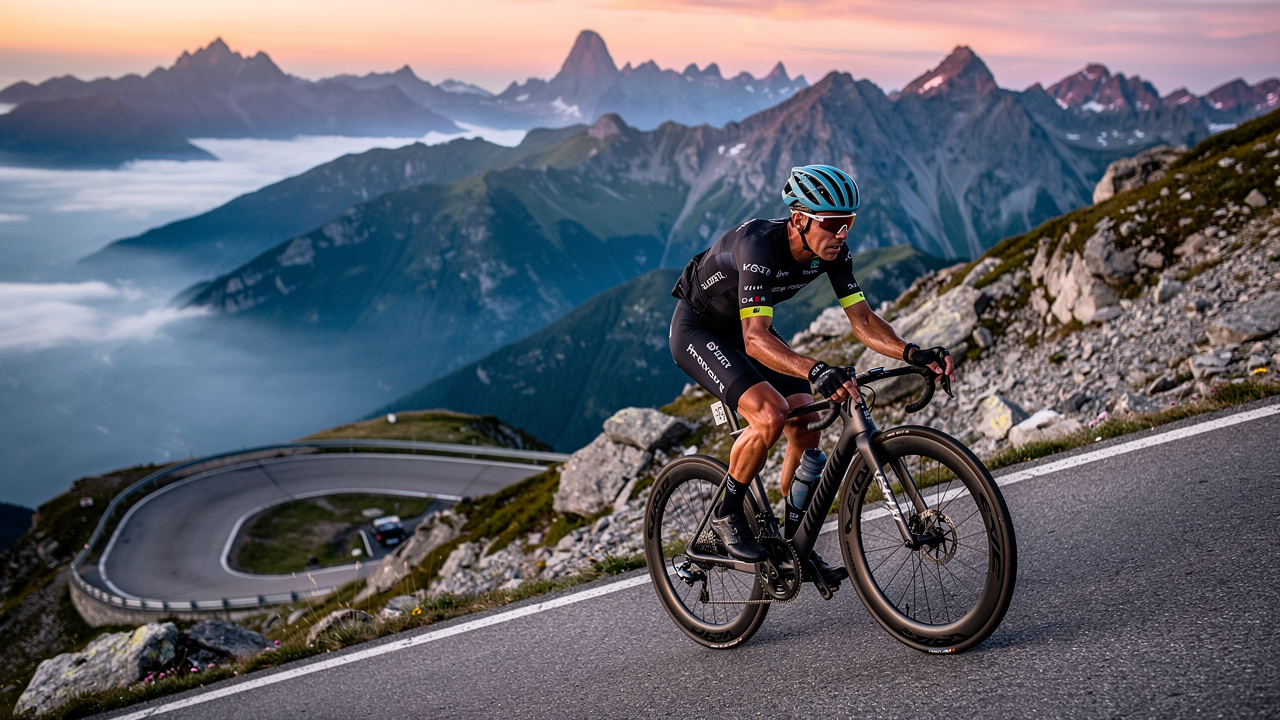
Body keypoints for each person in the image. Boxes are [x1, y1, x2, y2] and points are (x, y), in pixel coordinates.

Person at [668, 164, 955, 585]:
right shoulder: (758, 246)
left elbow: (863, 321)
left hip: (749, 327)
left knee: (805, 423)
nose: (843, 234)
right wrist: (816, 369)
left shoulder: (833, 253)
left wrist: (912, 353)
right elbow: (755, 340)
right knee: (770, 414)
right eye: (834, 224)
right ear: (800, 219)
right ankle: (726, 516)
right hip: (700, 330)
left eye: (849, 222)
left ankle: (793, 546)